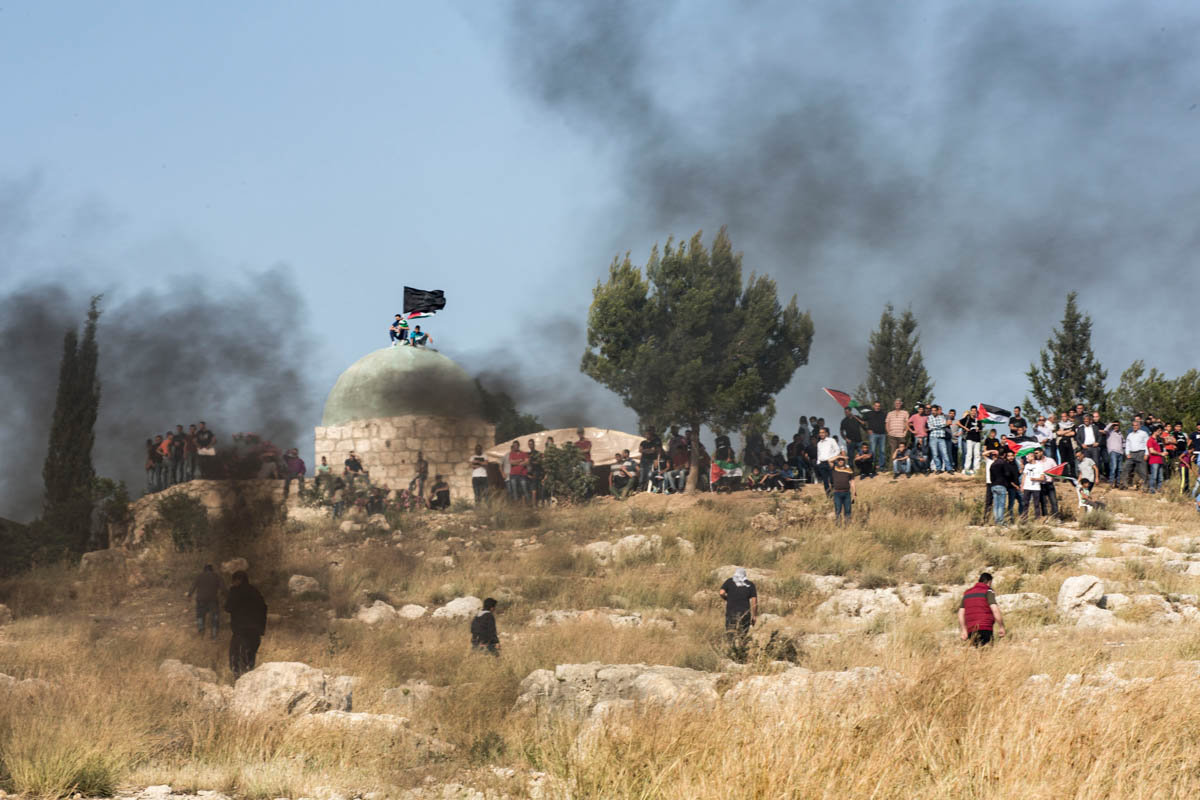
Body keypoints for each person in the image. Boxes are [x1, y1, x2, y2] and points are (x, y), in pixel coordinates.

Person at [225, 569, 267, 679]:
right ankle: (249, 678)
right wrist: (261, 628)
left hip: (241, 630)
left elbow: (227, 607)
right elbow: (264, 608)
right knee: (250, 656)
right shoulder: (255, 591)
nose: (233, 583)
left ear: (238, 580)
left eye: (234, 580)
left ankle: (240, 681)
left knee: (237, 656)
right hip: (255, 631)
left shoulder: (235, 591)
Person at [958, 572, 1006, 646]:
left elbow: (961, 613)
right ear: (989, 582)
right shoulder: (988, 591)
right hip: (985, 627)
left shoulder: (967, 593)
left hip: (971, 629)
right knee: (987, 653)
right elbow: (995, 609)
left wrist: (964, 630)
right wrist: (1001, 626)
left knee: (978, 654)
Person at [719, 568, 758, 656]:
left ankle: (729, 654)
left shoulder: (729, 581)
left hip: (731, 612)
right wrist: (754, 616)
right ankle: (741, 654)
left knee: (730, 634)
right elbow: (754, 602)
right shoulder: (750, 585)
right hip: (745, 613)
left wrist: (727, 598)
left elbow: (721, 592)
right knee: (742, 636)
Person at [186, 564, 226, 639]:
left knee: (200, 616)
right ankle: (214, 636)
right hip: (213, 600)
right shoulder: (217, 576)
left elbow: (193, 586)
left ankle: (201, 633)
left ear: (204, 570)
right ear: (212, 569)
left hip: (201, 599)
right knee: (214, 618)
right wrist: (226, 596)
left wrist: (189, 595)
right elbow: (223, 588)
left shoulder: (199, 576)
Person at [990, 450, 1022, 525]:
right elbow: (1007, 475)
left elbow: (991, 476)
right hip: (1002, 485)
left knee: (996, 505)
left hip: (994, 485)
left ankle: (996, 521)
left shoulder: (993, 464)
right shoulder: (1004, 463)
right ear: (1004, 455)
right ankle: (1000, 522)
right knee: (1001, 505)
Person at [1122, 419, 1150, 490]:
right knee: (1126, 468)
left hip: (1141, 453)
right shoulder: (1130, 435)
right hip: (1131, 453)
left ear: (1139, 426)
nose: (1135, 427)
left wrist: (1146, 454)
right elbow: (1127, 445)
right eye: (1133, 425)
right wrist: (1127, 453)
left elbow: (1147, 444)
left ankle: (1145, 486)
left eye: (1136, 425)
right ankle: (1125, 484)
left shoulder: (1143, 433)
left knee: (1143, 470)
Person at [861, 401, 889, 469]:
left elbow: (887, 423)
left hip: (882, 434)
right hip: (873, 434)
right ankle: (872, 466)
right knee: (872, 451)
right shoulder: (869, 414)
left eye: (878, 406)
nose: (877, 407)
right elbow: (862, 422)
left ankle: (881, 466)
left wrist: (887, 431)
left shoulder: (883, 414)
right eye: (876, 406)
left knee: (882, 451)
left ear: (880, 407)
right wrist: (867, 430)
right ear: (874, 406)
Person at [830, 454, 856, 524]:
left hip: (847, 493)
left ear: (844, 461)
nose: (840, 461)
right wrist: (839, 456)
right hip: (837, 493)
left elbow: (852, 481)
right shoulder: (834, 468)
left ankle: (847, 525)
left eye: (842, 460)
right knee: (838, 510)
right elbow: (829, 460)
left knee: (848, 510)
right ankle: (838, 525)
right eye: (839, 460)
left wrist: (854, 492)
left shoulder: (849, 470)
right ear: (837, 461)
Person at [814, 427, 841, 494]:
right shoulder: (819, 443)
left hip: (830, 462)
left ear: (826, 433)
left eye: (823, 432)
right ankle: (828, 496)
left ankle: (835, 494)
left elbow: (837, 450)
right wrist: (818, 462)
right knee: (825, 481)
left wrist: (831, 459)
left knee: (832, 479)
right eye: (820, 433)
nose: (821, 434)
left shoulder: (831, 440)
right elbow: (819, 453)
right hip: (822, 463)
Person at [957, 406, 983, 475]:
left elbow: (981, 429)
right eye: (972, 410)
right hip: (969, 438)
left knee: (977, 455)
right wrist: (965, 428)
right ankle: (966, 469)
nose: (974, 412)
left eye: (975, 411)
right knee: (969, 454)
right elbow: (958, 422)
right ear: (971, 411)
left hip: (977, 439)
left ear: (976, 412)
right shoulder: (968, 418)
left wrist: (978, 429)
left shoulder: (978, 420)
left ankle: (976, 469)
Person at [927, 404, 951, 474]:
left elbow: (944, 424)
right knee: (935, 454)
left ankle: (949, 468)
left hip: (941, 438)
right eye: (932, 410)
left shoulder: (942, 417)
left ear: (937, 411)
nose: (933, 412)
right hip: (933, 437)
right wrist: (940, 426)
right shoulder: (929, 418)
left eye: (935, 410)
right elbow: (930, 427)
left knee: (945, 453)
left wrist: (936, 426)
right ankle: (938, 468)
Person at [638, 427, 662, 491]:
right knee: (642, 473)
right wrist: (648, 450)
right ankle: (640, 487)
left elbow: (654, 451)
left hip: (651, 460)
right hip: (643, 460)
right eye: (646, 434)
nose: (647, 435)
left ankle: (647, 487)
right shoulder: (643, 442)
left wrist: (645, 450)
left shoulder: (654, 442)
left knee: (649, 474)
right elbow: (640, 450)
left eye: (649, 434)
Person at [1104, 421, 1125, 487]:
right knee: (1114, 467)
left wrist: (1124, 451)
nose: (1116, 427)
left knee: (1119, 469)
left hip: (1120, 453)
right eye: (1115, 425)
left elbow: (1124, 443)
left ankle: (1118, 483)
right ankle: (1111, 482)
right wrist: (1112, 423)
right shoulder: (1110, 433)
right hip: (1113, 451)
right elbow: (1105, 430)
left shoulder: (1120, 434)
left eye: (1117, 425)